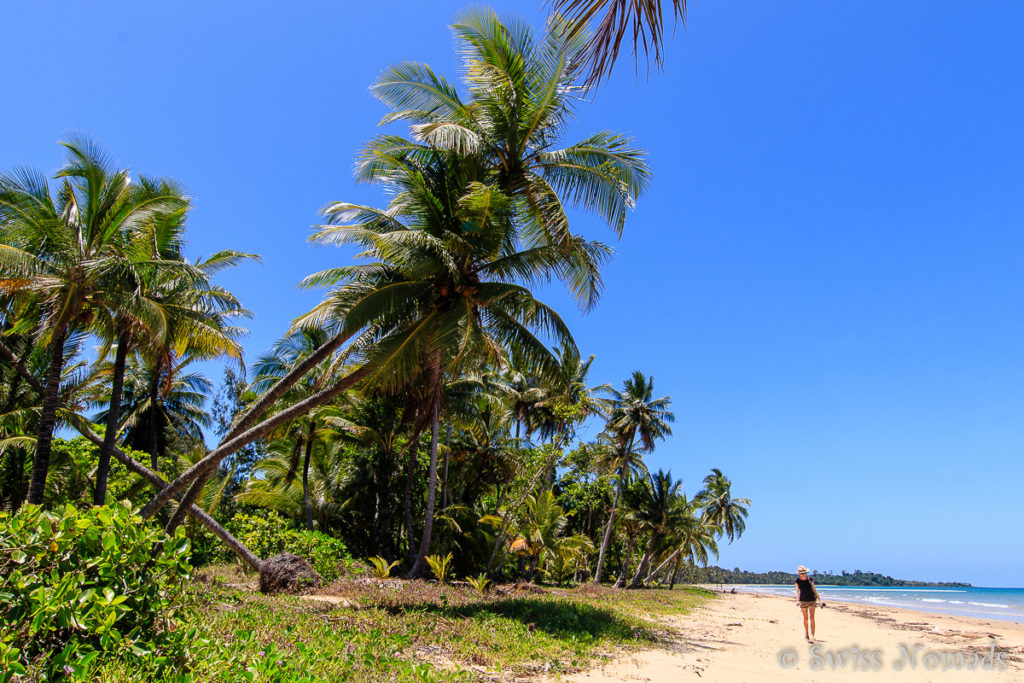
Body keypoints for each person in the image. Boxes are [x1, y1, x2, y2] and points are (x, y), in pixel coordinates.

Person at [794, 565, 821, 642]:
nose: (803, 574)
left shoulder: (810, 579)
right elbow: (796, 591)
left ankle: (812, 635)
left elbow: (814, 590)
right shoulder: (797, 581)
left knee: (812, 618)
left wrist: (820, 599)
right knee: (805, 618)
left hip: (812, 600)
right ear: (799, 573)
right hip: (803, 601)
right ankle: (806, 634)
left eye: (804, 572)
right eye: (801, 573)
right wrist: (797, 600)